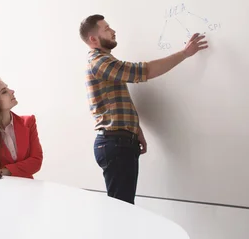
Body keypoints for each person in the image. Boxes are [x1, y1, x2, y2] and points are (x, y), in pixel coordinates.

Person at [79, 14, 208, 204]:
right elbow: (142, 71)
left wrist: (135, 130)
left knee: (123, 207)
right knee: (121, 210)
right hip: (115, 142)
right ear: (93, 39)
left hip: (119, 141)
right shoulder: (100, 62)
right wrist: (184, 54)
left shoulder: (105, 62)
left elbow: (115, 102)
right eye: (106, 29)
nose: (113, 31)